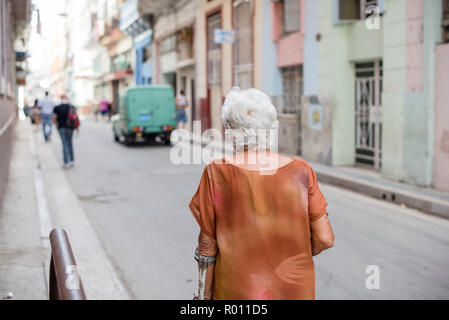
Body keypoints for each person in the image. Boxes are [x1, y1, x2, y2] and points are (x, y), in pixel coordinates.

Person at [189, 87, 335, 300]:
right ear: (269, 128)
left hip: (236, 291)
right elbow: (325, 238)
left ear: (231, 131)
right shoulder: (301, 171)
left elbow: (207, 247)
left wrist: (204, 298)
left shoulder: (216, 172)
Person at [53, 95, 75, 169]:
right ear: (67, 99)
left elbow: (54, 117)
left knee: (64, 144)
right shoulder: (71, 106)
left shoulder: (57, 107)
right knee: (70, 143)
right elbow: (75, 117)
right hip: (70, 128)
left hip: (61, 127)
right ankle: (72, 160)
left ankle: (66, 162)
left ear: (61, 99)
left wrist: (56, 125)